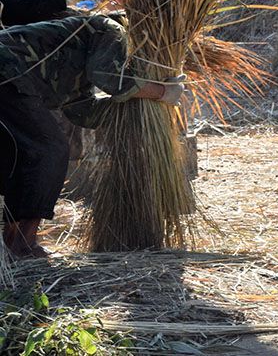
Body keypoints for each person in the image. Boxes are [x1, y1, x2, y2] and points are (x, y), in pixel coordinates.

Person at [0, 15, 185, 258]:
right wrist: (160, 92)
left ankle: (12, 240)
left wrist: (139, 110)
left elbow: (83, 112)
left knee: (18, 155)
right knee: (50, 150)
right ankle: (23, 244)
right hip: (7, 72)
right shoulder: (112, 29)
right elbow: (109, 79)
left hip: (11, 79)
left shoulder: (80, 51)